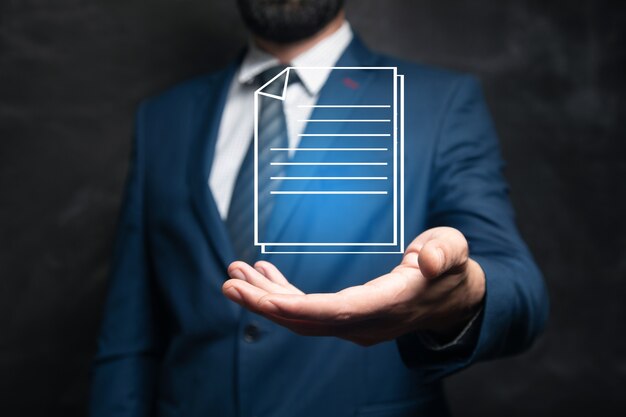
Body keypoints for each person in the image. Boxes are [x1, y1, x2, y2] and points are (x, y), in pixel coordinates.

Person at [90, 1, 549, 416]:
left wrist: (461, 293)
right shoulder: (163, 119)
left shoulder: (436, 104)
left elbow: (519, 288)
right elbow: (129, 335)